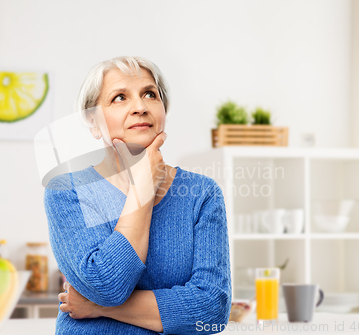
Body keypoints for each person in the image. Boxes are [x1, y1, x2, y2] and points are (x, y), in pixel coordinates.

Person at [44, 56, 231, 334]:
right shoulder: (67, 188)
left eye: (150, 94)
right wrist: (143, 187)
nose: (140, 107)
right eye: (119, 98)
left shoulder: (202, 194)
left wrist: (97, 307)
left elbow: (211, 309)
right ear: (93, 121)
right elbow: (107, 285)